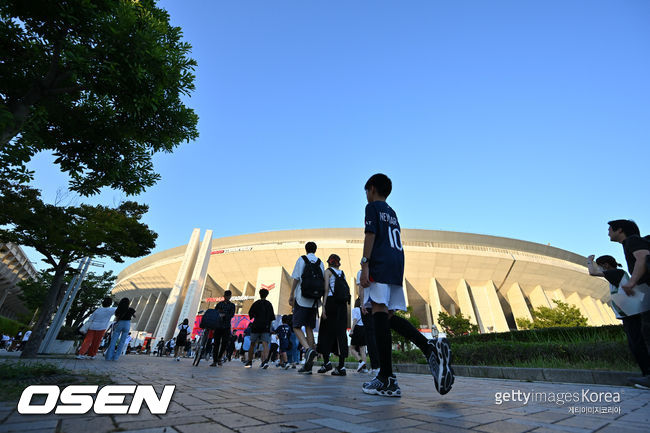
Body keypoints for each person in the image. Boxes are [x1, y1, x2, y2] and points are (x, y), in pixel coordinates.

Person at [359, 173, 454, 397]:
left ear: (372, 189)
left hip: (380, 263)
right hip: (396, 263)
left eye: (366, 192)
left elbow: (370, 234)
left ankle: (387, 378)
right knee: (386, 317)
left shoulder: (372, 208)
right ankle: (428, 347)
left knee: (379, 313)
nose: (366, 196)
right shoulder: (392, 213)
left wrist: (365, 264)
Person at [587, 254, 650, 377]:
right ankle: (645, 373)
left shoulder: (616, 273)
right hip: (629, 312)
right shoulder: (618, 275)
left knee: (637, 344)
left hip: (630, 313)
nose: (600, 269)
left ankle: (647, 373)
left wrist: (589, 261)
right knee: (635, 343)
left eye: (600, 266)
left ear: (606, 265)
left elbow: (592, 273)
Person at [606, 219, 650, 389]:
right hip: (646, 292)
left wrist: (631, 283)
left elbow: (642, 258)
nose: (608, 232)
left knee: (647, 333)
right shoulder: (629, 243)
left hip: (647, 290)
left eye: (610, 229)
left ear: (620, 230)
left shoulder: (632, 241)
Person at [289, 241, 325, 374]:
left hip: (302, 298)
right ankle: (308, 366)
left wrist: (291, 294)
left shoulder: (302, 259)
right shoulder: (320, 262)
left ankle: (308, 350)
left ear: (306, 249)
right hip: (314, 300)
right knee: (309, 327)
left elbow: (296, 278)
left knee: (296, 326)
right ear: (315, 250)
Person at [317, 254, 350, 376]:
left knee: (326, 332)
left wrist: (323, 307)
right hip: (342, 306)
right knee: (341, 333)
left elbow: (326, 290)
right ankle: (341, 367)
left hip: (331, 303)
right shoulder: (342, 273)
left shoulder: (327, 272)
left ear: (329, 262)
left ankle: (326, 362)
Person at [246, 288, 275, 368]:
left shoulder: (256, 303)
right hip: (265, 327)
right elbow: (271, 318)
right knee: (265, 344)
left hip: (256, 326)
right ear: (267, 295)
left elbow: (250, 314)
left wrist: (256, 316)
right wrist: (270, 328)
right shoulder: (269, 304)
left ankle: (249, 361)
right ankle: (265, 361)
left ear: (259, 294)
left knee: (252, 344)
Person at [211, 290, 236, 366]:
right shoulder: (219, 304)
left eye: (229, 296)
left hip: (226, 326)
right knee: (216, 344)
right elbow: (215, 313)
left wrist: (224, 315)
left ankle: (219, 358)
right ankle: (215, 360)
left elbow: (232, 315)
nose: (227, 297)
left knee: (224, 343)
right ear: (224, 296)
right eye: (226, 296)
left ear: (230, 297)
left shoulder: (232, 305)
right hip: (218, 326)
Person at [349, 297, 369, 373]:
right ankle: (364, 368)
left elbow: (355, 320)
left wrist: (352, 330)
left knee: (352, 348)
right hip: (363, 329)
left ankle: (361, 362)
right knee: (362, 350)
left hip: (357, 328)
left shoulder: (355, 310)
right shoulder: (364, 310)